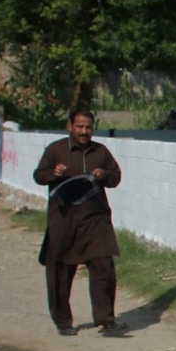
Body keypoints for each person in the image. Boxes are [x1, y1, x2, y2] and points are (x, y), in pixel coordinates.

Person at [33, 108, 126, 336]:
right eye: (80, 127)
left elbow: (116, 177)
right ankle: (63, 322)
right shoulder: (55, 150)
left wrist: (103, 174)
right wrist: (53, 174)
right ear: (70, 127)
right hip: (64, 220)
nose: (84, 132)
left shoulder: (100, 151)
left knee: (104, 266)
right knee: (60, 273)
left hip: (96, 220)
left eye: (88, 127)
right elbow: (38, 175)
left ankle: (105, 318)